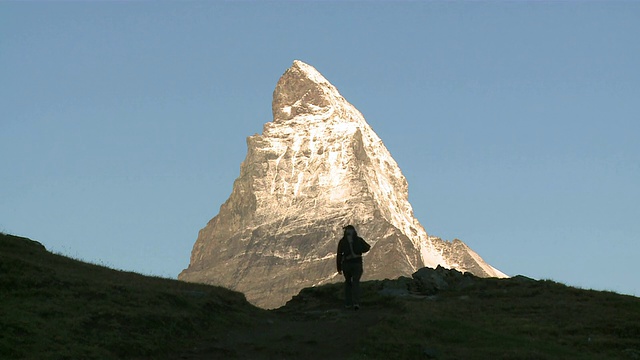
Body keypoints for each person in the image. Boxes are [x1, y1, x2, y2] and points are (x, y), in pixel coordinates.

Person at [336, 225, 371, 310]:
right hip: (357, 263)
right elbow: (367, 247)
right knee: (356, 283)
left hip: (346, 264)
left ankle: (348, 303)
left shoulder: (342, 242)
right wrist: (359, 250)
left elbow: (339, 255)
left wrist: (339, 267)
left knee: (348, 283)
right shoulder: (358, 240)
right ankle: (356, 303)